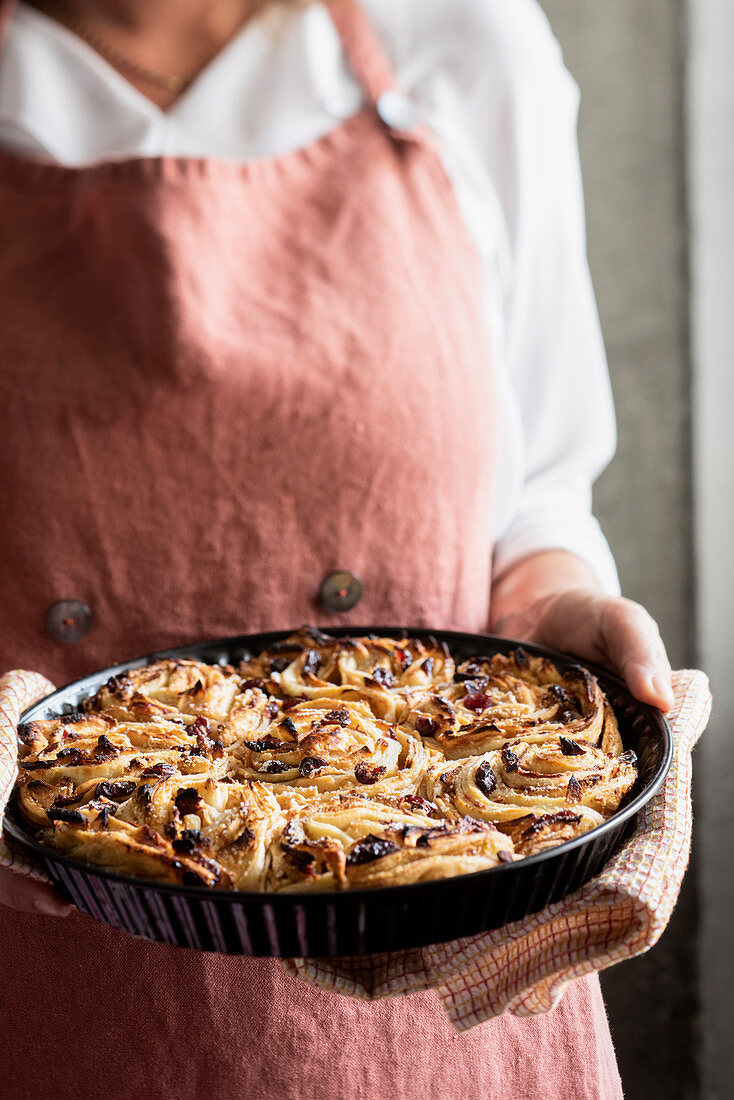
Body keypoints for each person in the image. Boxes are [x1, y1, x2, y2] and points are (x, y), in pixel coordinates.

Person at [0, 1, 673, 1097]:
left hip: (451, 986)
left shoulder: (462, 43)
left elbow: (538, 492)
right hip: (56, 995)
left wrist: (551, 601)